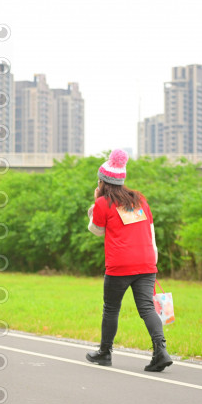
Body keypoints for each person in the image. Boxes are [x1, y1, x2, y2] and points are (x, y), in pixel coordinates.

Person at [86, 149, 172, 372]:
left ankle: (105, 353)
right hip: (146, 262)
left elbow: (96, 230)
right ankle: (161, 351)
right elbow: (151, 231)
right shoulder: (139, 200)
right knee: (147, 308)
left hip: (120, 265)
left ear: (103, 182)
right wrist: (153, 261)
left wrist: (94, 205)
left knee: (111, 308)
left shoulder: (103, 202)